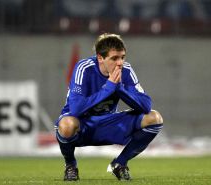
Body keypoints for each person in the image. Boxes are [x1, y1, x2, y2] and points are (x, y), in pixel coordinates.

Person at [55, 33, 163, 181]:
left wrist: (119, 88)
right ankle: (70, 165)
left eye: (122, 57)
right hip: (83, 125)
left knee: (154, 118)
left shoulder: (126, 70)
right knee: (67, 124)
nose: (120, 62)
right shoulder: (84, 68)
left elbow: (146, 105)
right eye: (114, 58)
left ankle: (119, 164)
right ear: (100, 58)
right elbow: (75, 109)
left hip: (109, 123)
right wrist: (109, 87)